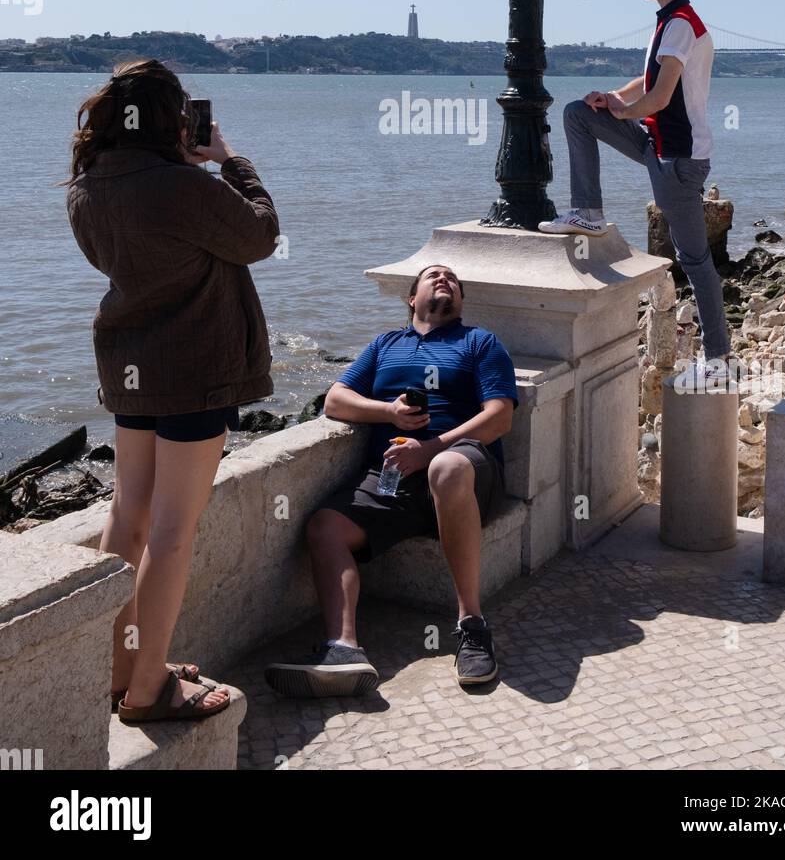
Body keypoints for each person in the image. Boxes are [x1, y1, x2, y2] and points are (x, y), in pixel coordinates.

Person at [66, 58, 280, 724]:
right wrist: (230, 160)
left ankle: (123, 666)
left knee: (127, 517)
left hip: (129, 364)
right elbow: (260, 235)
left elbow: (137, 256)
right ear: (170, 116)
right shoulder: (180, 186)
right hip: (193, 371)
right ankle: (149, 689)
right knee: (172, 532)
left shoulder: (87, 187)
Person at [264, 263, 517, 697]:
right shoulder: (386, 344)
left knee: (446, 468)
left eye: (452, 279)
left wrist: (430, 449)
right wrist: (389, 412)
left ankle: (471, 627)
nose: (445, 281)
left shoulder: (479, 342)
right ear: (411, 299)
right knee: (324, 527)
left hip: (464, 473)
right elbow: (336, 401)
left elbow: (499, 416)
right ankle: (343, 649)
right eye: (433, 276)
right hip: (394, 481)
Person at [540, 0, 730, 374]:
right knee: (580, 114)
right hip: (655, 145)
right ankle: (587, 211)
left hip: (678, 160)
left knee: (695, 261)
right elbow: (646, 79)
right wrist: (612, 99)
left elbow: (661, 96)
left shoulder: (681, 23)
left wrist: (624, 111)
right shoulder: (667, 23)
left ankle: (718, 355)